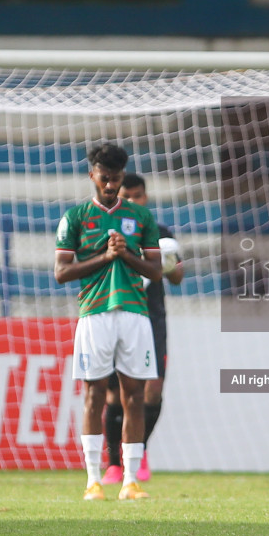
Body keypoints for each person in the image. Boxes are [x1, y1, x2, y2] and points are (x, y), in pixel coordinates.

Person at [55, 142, 163, 502]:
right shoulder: (75, 218)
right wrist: (105, 256)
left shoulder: (142, 218)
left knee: (135, 395)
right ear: (92, 175)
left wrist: (126, 254)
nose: (111, 185)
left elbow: (156, 271)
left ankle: (130, 481)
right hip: (95, 312)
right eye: (105, 178)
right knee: (94, 394)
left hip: (134, 312)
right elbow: (61, 273)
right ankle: (92, 480)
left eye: (116, 179)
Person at [100, 172, 184, 484]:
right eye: (128, 196)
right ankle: (113, 465)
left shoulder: (159, 232)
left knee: (153, 389)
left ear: (145, 197)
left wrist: (168, 263)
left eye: (139, 196)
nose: (134, 201)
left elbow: (177, 277)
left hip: (152, 320)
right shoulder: (108, 233)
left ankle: (140, 450)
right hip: (116, 317)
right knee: (114, 394)